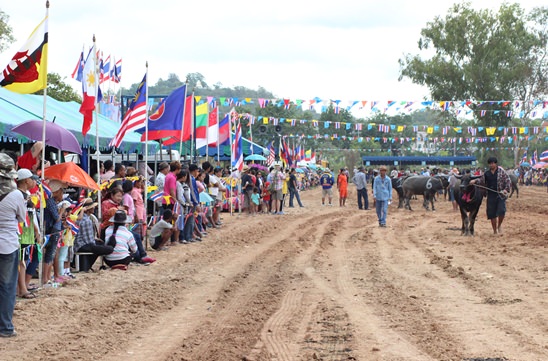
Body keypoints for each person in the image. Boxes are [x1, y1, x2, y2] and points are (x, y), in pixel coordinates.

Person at [0, 154, 26, 337]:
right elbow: (21, 218)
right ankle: (5, 327)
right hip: (7, 244)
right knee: (7, 287)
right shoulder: (16, 194)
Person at [470, 157, 512, 235]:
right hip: (491, 194)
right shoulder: (487, 173)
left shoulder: (501, 172)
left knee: (501, 211)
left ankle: (499, 226)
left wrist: (506, 190)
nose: (492, 165)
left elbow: (508, 181)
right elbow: (481, 180)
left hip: (500, 194)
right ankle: (494, 231)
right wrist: (475, 181)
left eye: (493, 163)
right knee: (491, 213)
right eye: (490, 163)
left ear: (496, 163)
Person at [73, 199, 114, 269]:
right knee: (107, 248)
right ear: (88, 209)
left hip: (78, 244)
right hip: (82, 245)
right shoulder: (86, 221)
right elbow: (89, 241)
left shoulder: (83, 218)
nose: (94, 208)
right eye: (92, 207)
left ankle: (85, 264)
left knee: (100, 246)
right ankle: (87, 264)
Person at [42, 179, 68, 285]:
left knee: (51, 254)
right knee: (50, 254)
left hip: (53, 229)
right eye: (61, 190)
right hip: (53, 230)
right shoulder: (50, 201)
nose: (62, 193)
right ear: (56, 191)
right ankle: (46, 278)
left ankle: (47, 277)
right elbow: (57, 218)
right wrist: (61, 210)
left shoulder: (50, 201)